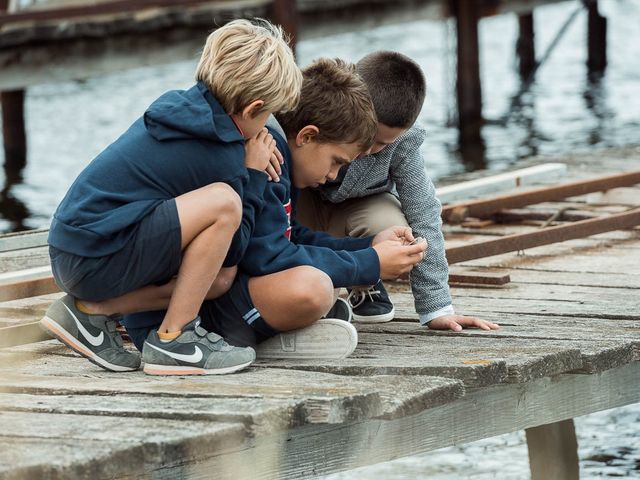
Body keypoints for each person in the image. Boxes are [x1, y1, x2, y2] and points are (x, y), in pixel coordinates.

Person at [40, 19, 302, 375]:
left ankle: (90, 312)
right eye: (268, 114)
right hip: (95, 255)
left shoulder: (187, 111)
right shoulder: (220, 155)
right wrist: (253, 175)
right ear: (253, 109)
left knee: (218, 280)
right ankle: (174, 340)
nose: (267, 125)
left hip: (76, 248)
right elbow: (234, 249)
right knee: (225, 203)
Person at [128, 57, 427, 361]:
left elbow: (287, 236)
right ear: (307, 136)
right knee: (314, 290)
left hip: (219, 290)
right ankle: (241, 334)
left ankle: (276, 322)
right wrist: (370, 263)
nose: (334, 177)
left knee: (320, 288)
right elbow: (266, 257)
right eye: (337, 161)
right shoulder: (268, 158)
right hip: (171, 318)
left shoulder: (280, 152)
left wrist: (367, 245)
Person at [296, 51, 499, 332]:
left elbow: (424, 211)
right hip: (299, 210)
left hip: (354, 215)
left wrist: (436, 307)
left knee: (396, 228)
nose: (366, 150)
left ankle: (365, 282)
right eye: (367, 137)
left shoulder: (404, 144)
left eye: (380, 143)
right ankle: (331, 287)